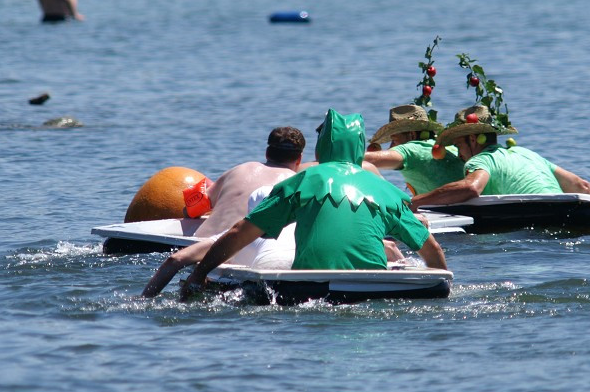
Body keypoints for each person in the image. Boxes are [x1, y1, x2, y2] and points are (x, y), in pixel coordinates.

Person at [182, 109, 447, 297]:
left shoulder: (300, 182)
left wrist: (198, 274)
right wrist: (442, 281)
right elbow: (431, 248)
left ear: (320, 148)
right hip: (375, 287)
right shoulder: (387, 191)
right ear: (359, 149)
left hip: (306, 289)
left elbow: (241, 233)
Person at [142, 126, 305, 297]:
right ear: (299, 158)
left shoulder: (239, 170)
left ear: (267, 153)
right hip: (238, 251)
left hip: (196, 247)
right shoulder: (294, 182)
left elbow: (191, 211)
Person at [409, 105, 590, 211]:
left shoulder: (481, 160)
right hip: (570, 211)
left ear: (473, 139)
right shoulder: (527, 154)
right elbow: (582, 186)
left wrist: (416, 202)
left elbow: (470, 188)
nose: (459, 155)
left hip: (540, 220)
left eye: (459, 146)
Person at [364, 104, 465, 195]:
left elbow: (366, 159)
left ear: (412, 135)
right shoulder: (448, 147)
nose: (391, 147)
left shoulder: (413, 149)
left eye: (394, 140)